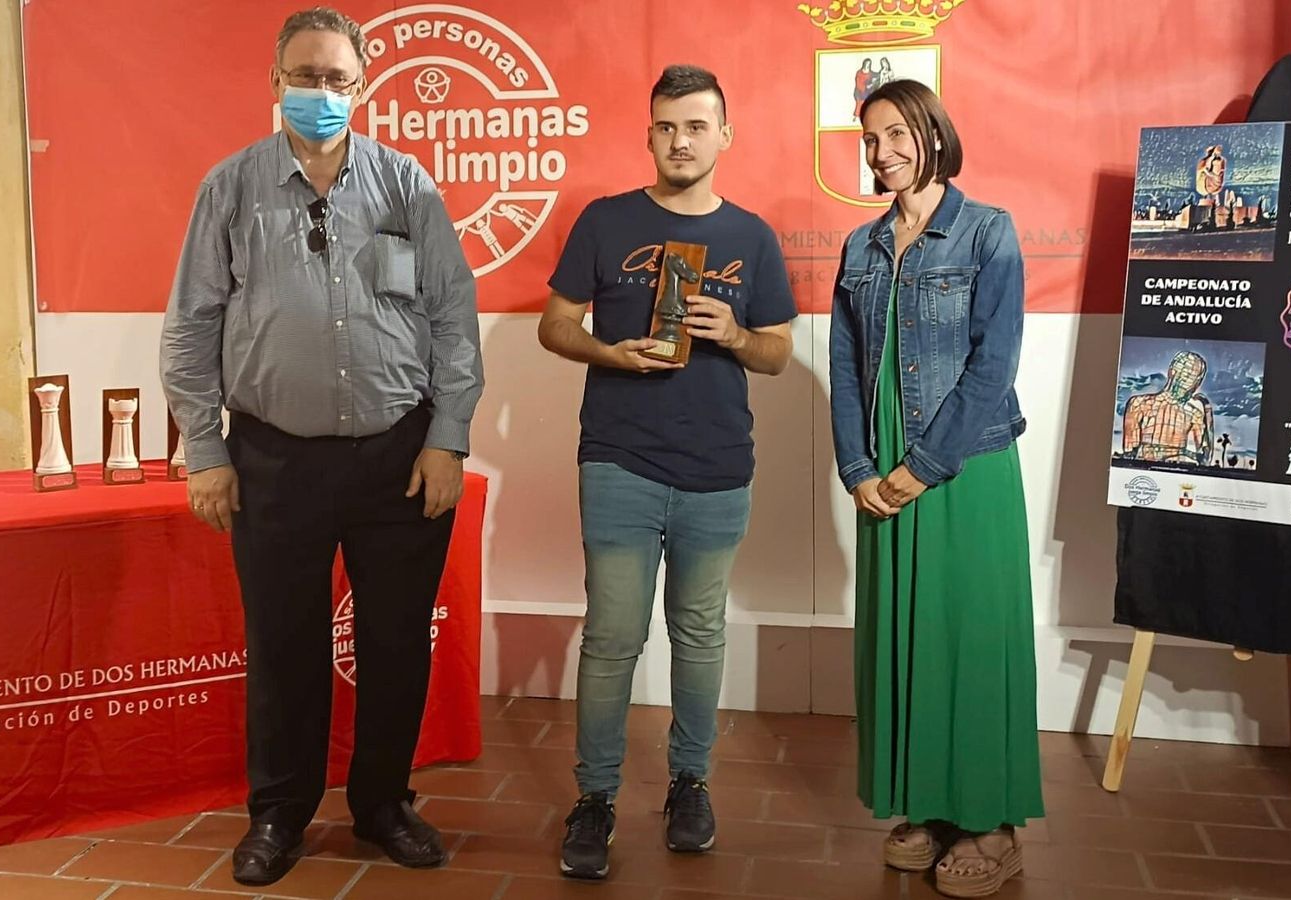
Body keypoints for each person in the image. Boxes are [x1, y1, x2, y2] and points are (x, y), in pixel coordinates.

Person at [158, 5, 482, 887]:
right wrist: (207, 453)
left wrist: (447, 438)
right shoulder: (229, 189)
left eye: (337, 79)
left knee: (394, 640)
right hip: (273, 459)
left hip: (397, 454)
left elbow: (453, 321)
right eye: (305, 77)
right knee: (284, 644)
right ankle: (279, 814)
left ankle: (382, 803)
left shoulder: (407, 187)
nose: (321, 93)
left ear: (363, 86)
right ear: (275, 85)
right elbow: (190, 329)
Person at [537, 64, 795, 880]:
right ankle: (596, 798)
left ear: (725, 134)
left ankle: (690, 784)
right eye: (665, 127)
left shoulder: (752, 237)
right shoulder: (605, 221)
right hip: (618, 461)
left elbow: (779, 354)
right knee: (613, 637)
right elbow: (553, 326)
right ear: (648, 134)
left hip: (719, 469)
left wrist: (734, 335)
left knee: (700, 633)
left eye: (695, 125)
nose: (680, 140)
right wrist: (605, 351)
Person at [828, 78, 1043, 898]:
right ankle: (922, 804)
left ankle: (991, 823)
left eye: (895, 134)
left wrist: (925, 465)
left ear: (930, 131)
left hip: (965, 463)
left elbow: (995, 368)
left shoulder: (988, 232)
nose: (882, 153)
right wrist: (859, 469)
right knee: (902, 636)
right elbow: (850, 374)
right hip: (882, 470)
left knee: (973, 634)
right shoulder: (861, 245)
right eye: (870, 139)